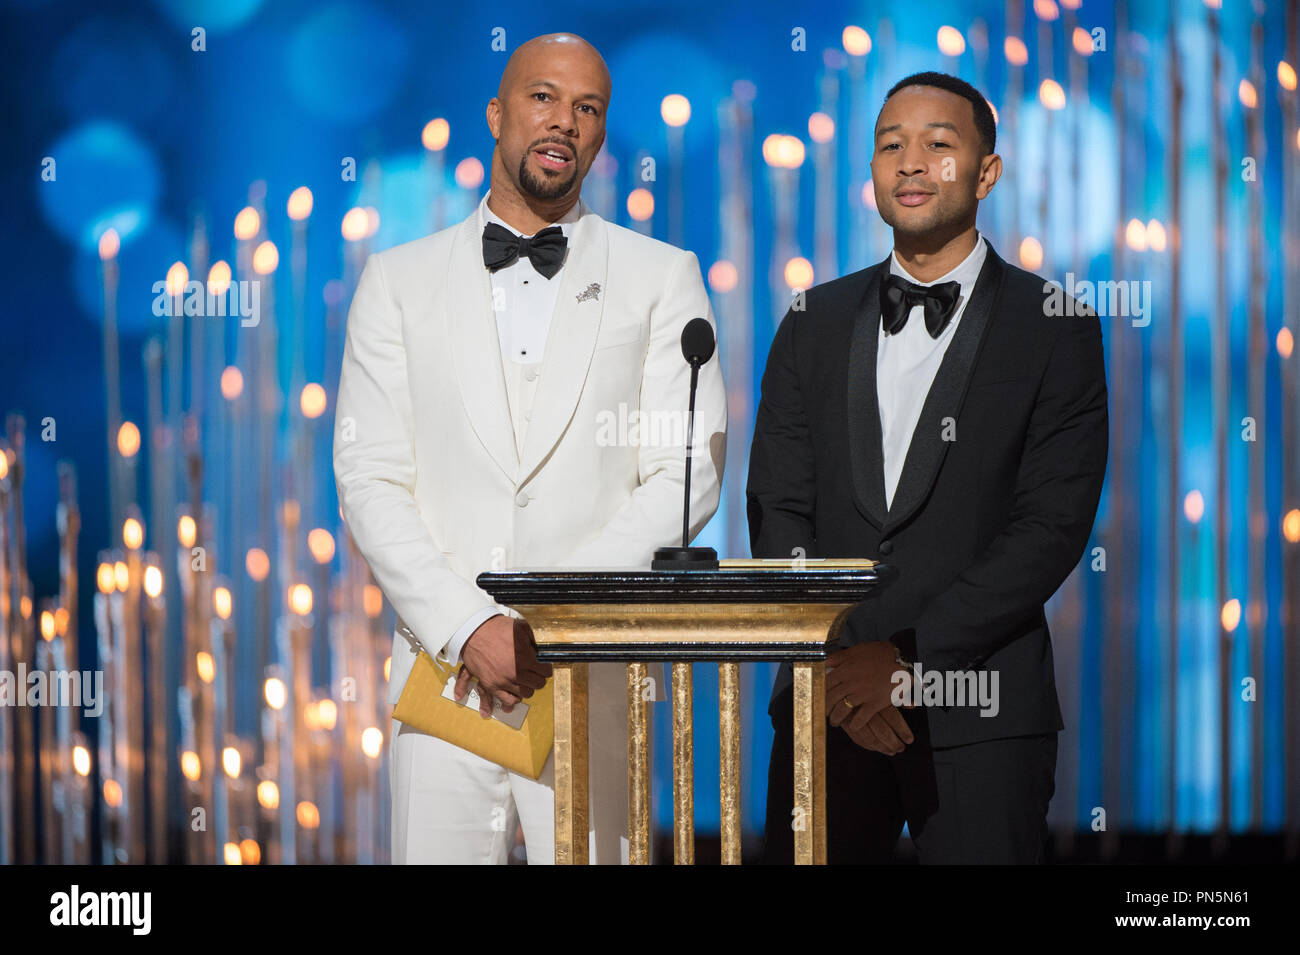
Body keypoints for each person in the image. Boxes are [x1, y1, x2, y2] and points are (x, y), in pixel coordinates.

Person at [333, 32, 726, 864]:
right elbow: (368, 477)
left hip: (589, 680)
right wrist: (468, 622)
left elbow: (685, 474)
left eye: (588, 108)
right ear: (497, 114)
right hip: (446, 677)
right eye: (544, 97)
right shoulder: (397, 282)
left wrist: (552, 617)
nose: (565, 122)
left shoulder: (663, 276)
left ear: (602, 135)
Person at [747, 71, 1108, 863]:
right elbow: (778, 506)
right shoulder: (812, 320)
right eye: (890, 145)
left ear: (986, 171)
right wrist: (841, 662)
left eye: (938, 145)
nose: (910, 162)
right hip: (824, 703)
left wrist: (909, 662)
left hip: (981, 710)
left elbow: (1048, 528)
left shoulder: (1056, 327)